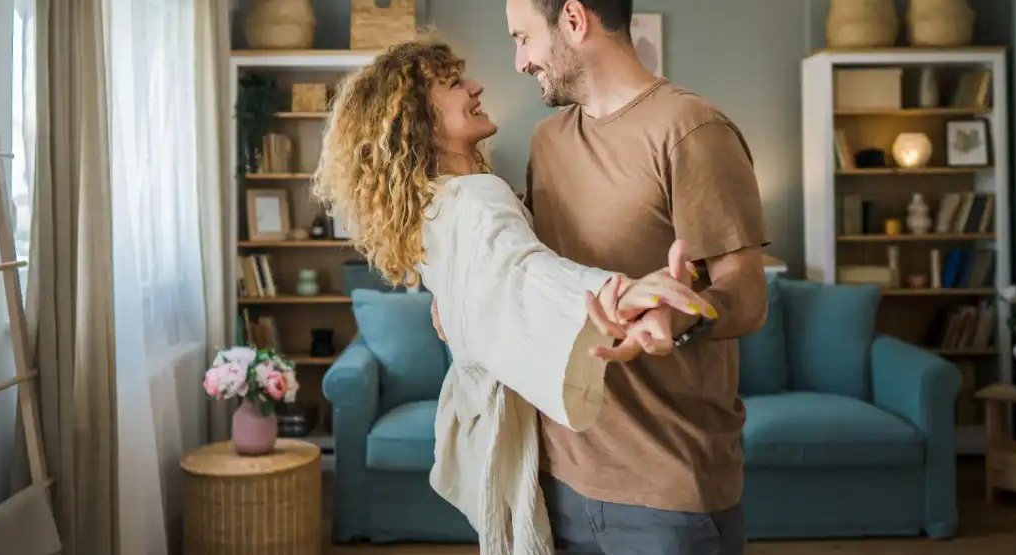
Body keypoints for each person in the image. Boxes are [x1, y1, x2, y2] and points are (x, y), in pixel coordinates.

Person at [312, 40, 710, 553]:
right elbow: (522, 271)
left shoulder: (434, 203)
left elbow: (493, 278)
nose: (476, 87)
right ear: (417, 117)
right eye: (454, 84)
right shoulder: (477, 198)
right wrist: (620, 293)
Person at [506, 0, 770, 553]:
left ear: (574, 20)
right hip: (558, 476)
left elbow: (747, 293)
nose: (519, 60)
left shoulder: (691, 129)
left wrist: (678, 314)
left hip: (669, 489)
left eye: (523, 38)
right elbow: (534, 276)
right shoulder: (545, 143)